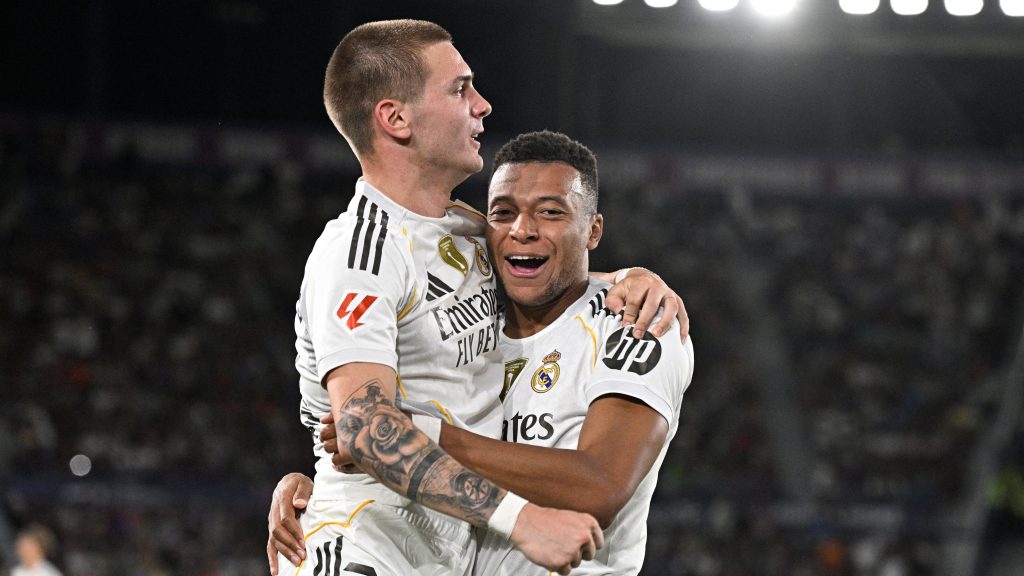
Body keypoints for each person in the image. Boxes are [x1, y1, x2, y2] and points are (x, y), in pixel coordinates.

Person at [273, 19, 688, 576]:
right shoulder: (358, 254)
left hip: (448, 551)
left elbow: (552, 267)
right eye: (459, 89)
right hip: (367, 545)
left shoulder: (466, 232)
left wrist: (634, 276)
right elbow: (363, 429)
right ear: (396, 119)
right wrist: (522, 520)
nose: (483, 105)